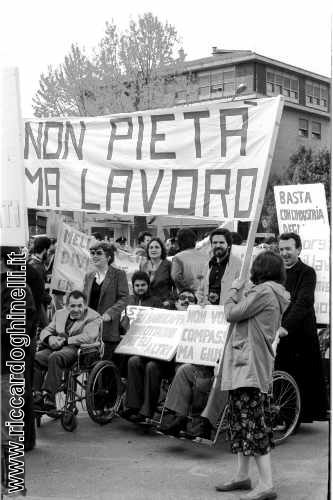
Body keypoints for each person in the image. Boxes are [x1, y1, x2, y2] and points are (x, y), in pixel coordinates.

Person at [214, 251, 290, 500]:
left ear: (260, 269)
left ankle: (266, 484)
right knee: (240, 423)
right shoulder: (270, 291)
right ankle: (242, 476)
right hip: (247, 364)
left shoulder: (265, 291)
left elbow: (231, 313)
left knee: (253, 426)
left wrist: (233, 292)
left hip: (249, 367)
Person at [275, 232, 328, 423]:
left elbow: (303, 302)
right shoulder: (276, 271)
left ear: (298, 249)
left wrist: (285, 327)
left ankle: (294, 417)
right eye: (281, 249)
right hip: (278, 330)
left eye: (288, 249)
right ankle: (284, 415)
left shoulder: (307, 272)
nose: (284, 253)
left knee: (300, 375)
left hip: (299, 332)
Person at [121, 289, 195, 423]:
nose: (186, 301)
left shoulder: (196, 323)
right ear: (176, 303)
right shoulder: (165, 316)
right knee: (134, 361)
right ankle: (133, 406)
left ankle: (146, 411)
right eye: (183, 297)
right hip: (155, 355)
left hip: (174, 363)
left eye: (190, 299)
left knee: (151, 367)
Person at [33, 290, 101, 412]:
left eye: (79, 306)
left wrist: (65, 341)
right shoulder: (60, 314)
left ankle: (49, 397)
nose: (76, 309)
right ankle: (36, 394)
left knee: (56, 356)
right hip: (56, 346)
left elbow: (89, 336)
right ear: (67, 306)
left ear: (85, 305)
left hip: (77, 349)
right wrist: (50, 338)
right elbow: (46, 330)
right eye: (72, 306)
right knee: (36, 357)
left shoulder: (93, 316)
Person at [1, 246, 37, 454]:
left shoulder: (16, 285)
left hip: (14, 347)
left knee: (16, 392)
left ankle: (21, 440)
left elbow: (14, 321)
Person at [83, 242, 129, 361]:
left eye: (99, 253)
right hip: (90, 326)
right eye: (92, 253)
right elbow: (84, 299)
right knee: (90, 364)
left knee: (105, 364)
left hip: (108, 327)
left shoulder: (119, 274)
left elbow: (124, 298)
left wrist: (110, 314)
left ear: (108, 257)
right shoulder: (89, 275)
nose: (94, 256)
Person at [198, 228, 242, 305]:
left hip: (228, 312)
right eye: (215, 243)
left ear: (228, 245)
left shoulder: (238, 264)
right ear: (211, 245)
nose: (218, 245)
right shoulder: (208, 264)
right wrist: (201, 299)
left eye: (221, 242)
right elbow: (201, 289)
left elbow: (243, 290)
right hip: (209, 312)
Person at [140, 237, 175, 307]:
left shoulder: (168, 265)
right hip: (146, 304)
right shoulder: (143, 265)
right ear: (148, 250)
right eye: (151, 247)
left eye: (157, 247)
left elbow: (175, 287)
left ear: (162, 250)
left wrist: (170, 301)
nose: (153, 250)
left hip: (163, 304)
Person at [171, 229, 207, 293]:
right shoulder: (205, 256)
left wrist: (187, 291)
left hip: (188, 296)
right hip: (204, 294)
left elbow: (176, 277)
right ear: (195, 241)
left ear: (179, 242)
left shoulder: (177, 257)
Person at [28, 236, 52, 327]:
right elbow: (38, 290)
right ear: (45, 250)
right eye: (48, 250)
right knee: (44, 328)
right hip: (37, 304)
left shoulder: (33, 262)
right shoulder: (36, 266)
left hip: (37, 303)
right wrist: (48, 298)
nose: (49, 253)